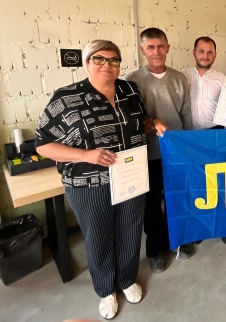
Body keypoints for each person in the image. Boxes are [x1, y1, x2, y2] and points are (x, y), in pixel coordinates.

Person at [35, 40, 165, 320]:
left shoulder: (130, 91)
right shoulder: (66, 98)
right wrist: (86, 155)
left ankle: (127, 279)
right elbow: (43, 145)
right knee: (98, 235)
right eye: (99, 59)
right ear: (87, 63)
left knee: (130, 229)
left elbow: (138, 124)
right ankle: (106, 289)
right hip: (88, 184)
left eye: (114, 60)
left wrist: (153, 123)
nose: (107, 65)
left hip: (130, 176)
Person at [125, 28, 193, 269]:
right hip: (147, 153)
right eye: (151, 47)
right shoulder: (131, 81)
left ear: (168, 48)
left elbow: (186, 113)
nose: (156, 51)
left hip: (175, 152)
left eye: (161, 46)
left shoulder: (179, 78)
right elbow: (131, 120)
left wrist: (187, 145)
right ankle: (155, 249)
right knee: (151, 204)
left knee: (177, 199)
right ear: (143, 50)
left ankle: (177, 240)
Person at [183, 38, 226, 246]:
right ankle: (201, 227)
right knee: (197, 185)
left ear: (215, 54)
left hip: (216, 135)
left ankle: (225, 227)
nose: (205, 55)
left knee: (220, 183)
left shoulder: (222, 79)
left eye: (210, 52)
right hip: (190, 137)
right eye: (201, 51)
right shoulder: (182, 76)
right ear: (194, 52)